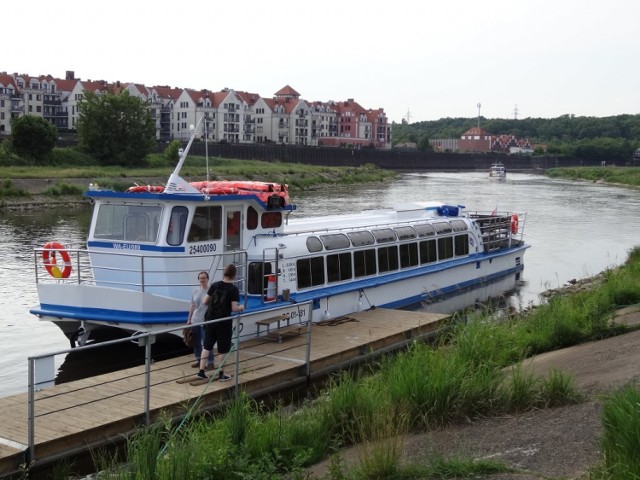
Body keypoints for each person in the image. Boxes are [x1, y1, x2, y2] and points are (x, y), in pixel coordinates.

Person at [197, 263, 245, 381]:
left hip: (210, 319)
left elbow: (204, 301)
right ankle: (221, 374)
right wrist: (241, 307)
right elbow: (234, 308)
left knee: (207, 346)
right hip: (223, 322)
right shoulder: (233, 289)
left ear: (224, 273)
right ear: (234, 275)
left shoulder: (214, 285)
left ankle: (201, 372)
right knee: (222, 349)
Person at [187, 271, 214, 369]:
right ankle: (198, 359)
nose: (202, 280)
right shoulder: (195, 290)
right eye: (200, 278)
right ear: (198, 280)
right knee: (196, 341)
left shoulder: (211, 291)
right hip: (195, 320)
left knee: (207, 342)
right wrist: (189, 319)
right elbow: (192, 305)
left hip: (205, 321)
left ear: (207, 279)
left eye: (204, 278)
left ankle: (210, 362)